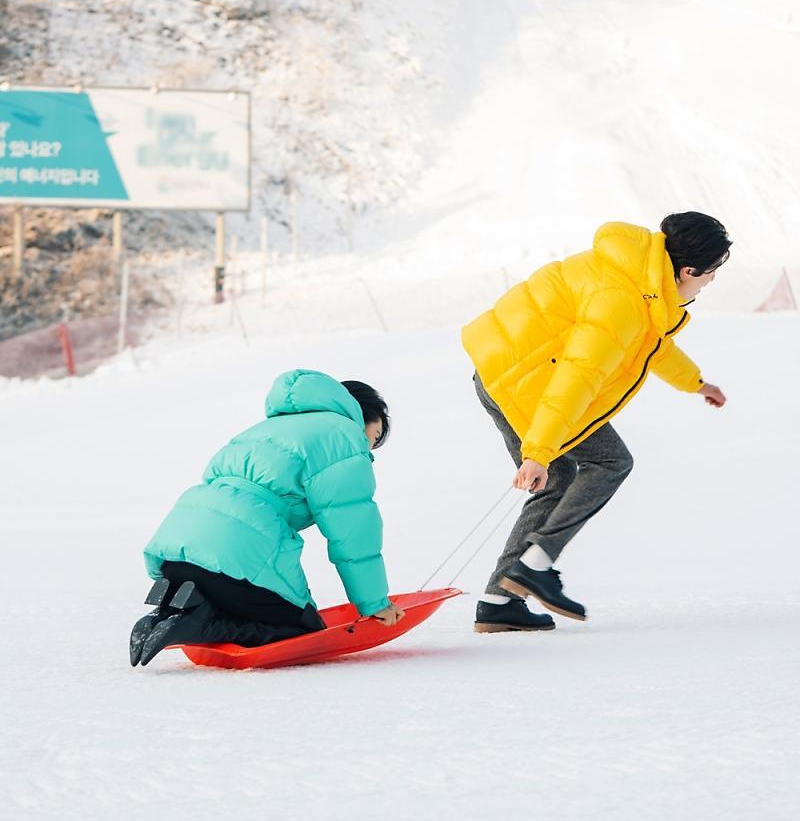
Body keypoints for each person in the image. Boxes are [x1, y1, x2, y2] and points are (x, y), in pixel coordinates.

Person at [463, 213, 730, 634]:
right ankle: (534, 566)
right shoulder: (622, 301)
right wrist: (538, 453)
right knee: (609, 461)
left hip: (506, 368)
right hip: (523, 380)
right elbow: (576, 379)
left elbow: (649, 345)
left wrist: (696, 383)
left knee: (557, 478)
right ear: (689, 270)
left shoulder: (640, 278)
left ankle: (500, 601)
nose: (711, 281)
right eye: (712, 272)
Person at [129, 368, 403, 666]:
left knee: (239, 597)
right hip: (232, 557)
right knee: (303, 631)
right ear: (362, 414)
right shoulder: (343, 436)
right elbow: (352, 531)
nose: (370, 448)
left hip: (177, 551)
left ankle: (172, 611)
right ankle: (199, 624)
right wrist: (375, 603)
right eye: (375, 436)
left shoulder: (262, 430)